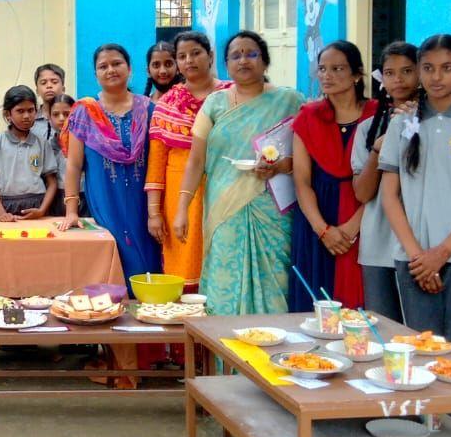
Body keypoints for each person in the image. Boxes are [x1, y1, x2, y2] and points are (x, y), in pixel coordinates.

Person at [378, 34, 451, 363]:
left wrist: (441, 254)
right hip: (413, 259)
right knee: (420, 354)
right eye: (427, 68)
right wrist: (419, 257)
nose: (436, 77)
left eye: (446, 68)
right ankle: (426, 419)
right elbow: (389, 195)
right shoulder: (401, 123)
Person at [172, 32, 303, 316]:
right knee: (223, 281)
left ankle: (271, 350)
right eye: (236, 55)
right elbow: (196, 161)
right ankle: (225, 356)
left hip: (272, 208)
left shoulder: (290, 101)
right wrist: (182, 207)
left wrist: (281, 165)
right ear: (226, 64)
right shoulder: (215, 103)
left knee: (275, 280)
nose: (244, 60)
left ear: (265, 61)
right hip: (223, 207)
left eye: (251, 53)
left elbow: (311, 154)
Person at [290, 41, 377, 311]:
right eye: (323, 69)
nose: (327, 75)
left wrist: (352, 228)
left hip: (366, 216)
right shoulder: (308, 116)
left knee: (360, 306)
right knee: (315, 303)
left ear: (356, 74)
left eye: (337, 68)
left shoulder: (377, 115)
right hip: (317, 220)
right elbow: (301, 180)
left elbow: (384, 181)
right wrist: (323, 229)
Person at [60, 45, 159, 273]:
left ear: (129, 68)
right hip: (104, 199)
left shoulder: (148, 109)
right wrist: (72, 212)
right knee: (111, 256)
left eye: (116, 63)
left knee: (147, 259)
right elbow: (74, 165)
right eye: (103, 66)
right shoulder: (84, 111)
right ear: (95, 75)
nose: (110, 70)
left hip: (143, 202)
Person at [146, 31, 229, 291]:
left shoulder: (232, 96)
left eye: (196, 53)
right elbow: (157, 164)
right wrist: (154, 213)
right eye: (182, 56)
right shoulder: (168, 103)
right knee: (185, 261)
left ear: (210, 56)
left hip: (226, 188)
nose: (189, 61)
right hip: (180, 197)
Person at [351, 42, 419, 319]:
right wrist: (380, 148)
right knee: (383, 326)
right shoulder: (367, 128)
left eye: (407, 71)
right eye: (390, 73)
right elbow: (362, 193)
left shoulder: (434, 125)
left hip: (421, 243)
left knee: (420, 331)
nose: (398, 79)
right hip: (378, 242)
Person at [0, 85, 57, 220]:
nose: (26, 116)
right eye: (20, 111)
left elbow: (52, 182)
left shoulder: (42, 143)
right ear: (8, 114)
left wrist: (42, 210)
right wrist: (1, 213)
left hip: (37, 204)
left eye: (31, 110)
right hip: (6, 205)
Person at [48, 94, 79, 216]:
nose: (61, 118)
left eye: (67, 114)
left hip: (81, 194)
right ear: (49, 117)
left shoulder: (84, 142)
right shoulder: (47, 145)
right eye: (55, 114)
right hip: (56, 196)